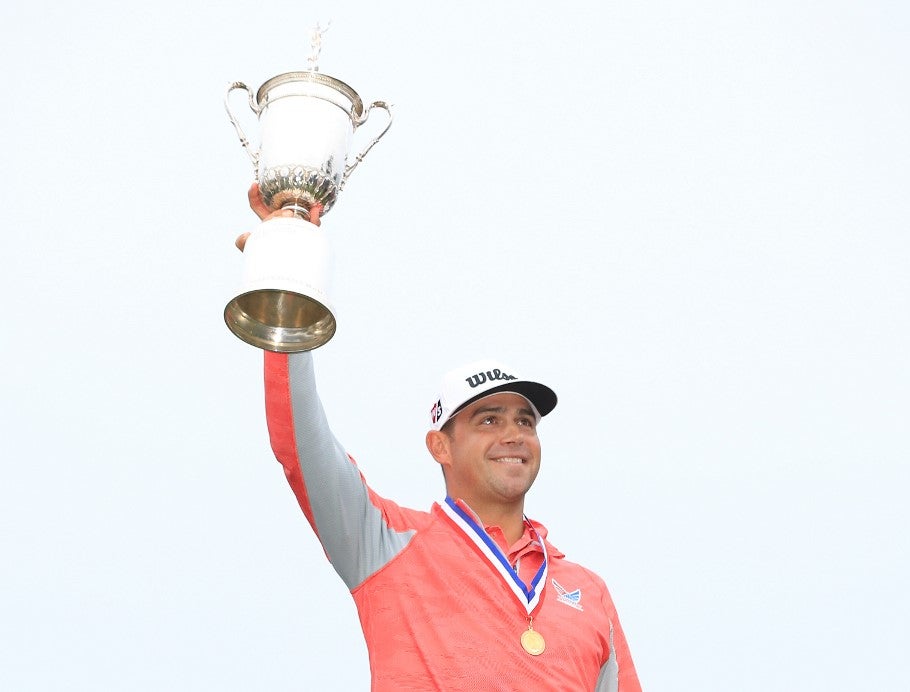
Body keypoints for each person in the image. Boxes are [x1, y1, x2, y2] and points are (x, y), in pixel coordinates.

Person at [238, 185, 642, 690]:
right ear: (440, 446)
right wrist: (288, 279)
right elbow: (301, 445)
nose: (514, 435)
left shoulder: (587, 590)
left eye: (525, 421)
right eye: (489, 420)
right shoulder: (384, 542)